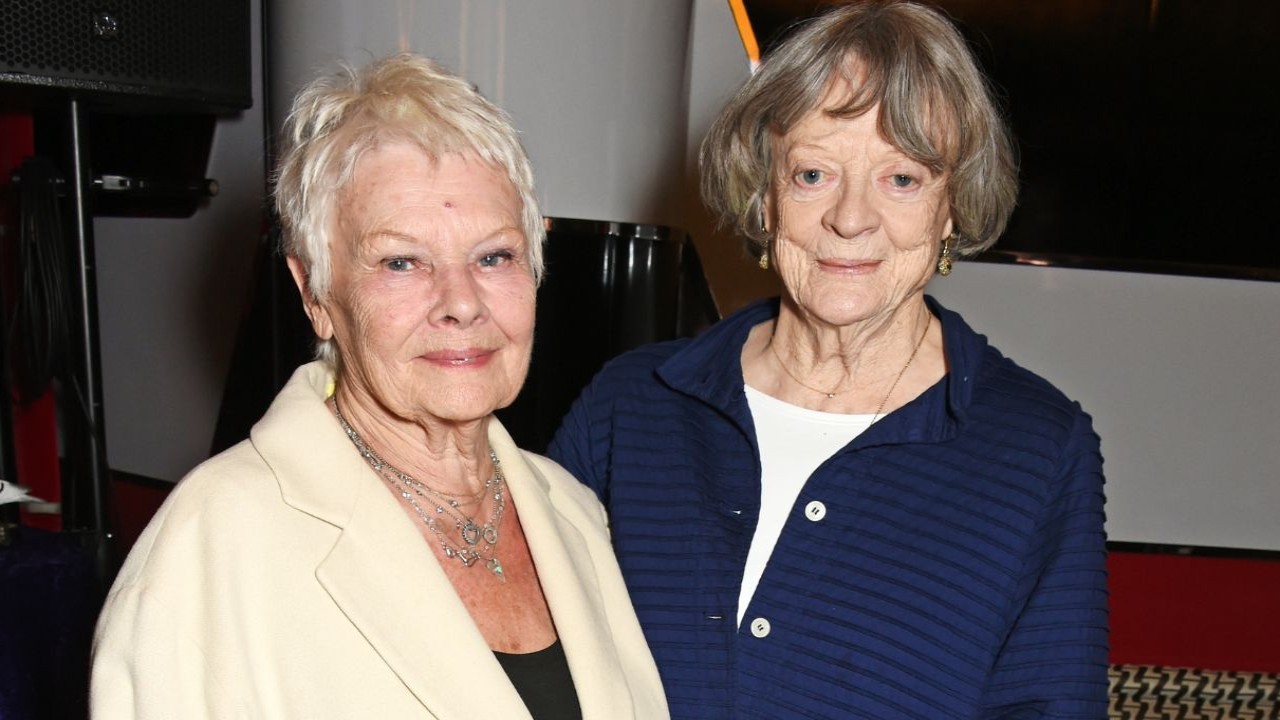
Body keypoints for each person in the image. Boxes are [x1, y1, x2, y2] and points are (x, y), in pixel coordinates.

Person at [547, 2, 1108, 718]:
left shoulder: (1036, 447)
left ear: (953, 208)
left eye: (902, 179)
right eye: (813, 173)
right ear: (765, 193)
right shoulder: (634, 403)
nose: (851, 218)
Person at [91, 53, 668, 720]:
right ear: (315, 293)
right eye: (401, 261)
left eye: (494, 257)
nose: (461, 303)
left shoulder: (573, 512)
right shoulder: (208, 549)